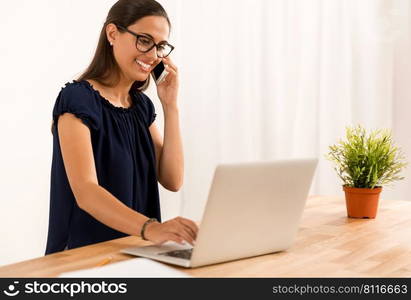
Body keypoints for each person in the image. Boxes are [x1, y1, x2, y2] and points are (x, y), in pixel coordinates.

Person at [45, 0, 198, 255]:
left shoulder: (141, 107)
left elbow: (173, 179)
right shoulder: (78, 99)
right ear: (113, 34)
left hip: (134, 252)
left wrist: (170, 106)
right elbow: (86, 191)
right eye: (144, 40)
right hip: (82, 258)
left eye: (160, 46)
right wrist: (151, 228)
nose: (152, 55)